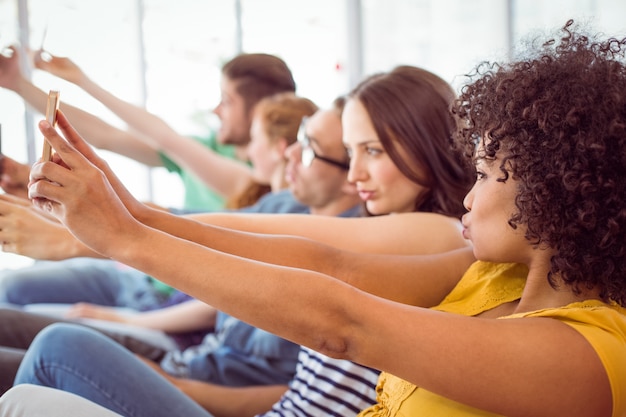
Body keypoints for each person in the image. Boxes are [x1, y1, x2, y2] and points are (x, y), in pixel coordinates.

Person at [4, 20, 625, 417]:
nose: (469, 191)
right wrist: (135, 217)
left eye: (489, 173)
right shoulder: (491, 275)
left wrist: (128, 238)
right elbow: (326, 263)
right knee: (32, 388)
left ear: (553, 190)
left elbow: (343, 322)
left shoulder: (589, 353)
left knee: (38, 382)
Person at [3, 64, 477, 417]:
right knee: (51, 351)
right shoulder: (406, 226)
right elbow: (259, 237)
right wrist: (125, 215)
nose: (355, 175)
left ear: (425, 142)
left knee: (56, 350)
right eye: (352, 153)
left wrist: (122, 226)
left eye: (372, 151)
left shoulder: (437, 230)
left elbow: (305, 252)